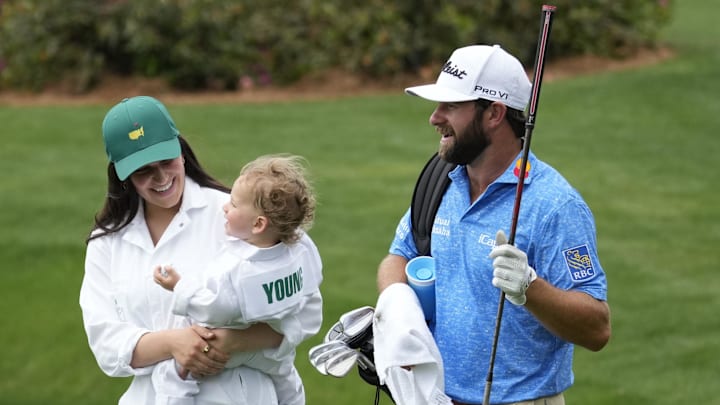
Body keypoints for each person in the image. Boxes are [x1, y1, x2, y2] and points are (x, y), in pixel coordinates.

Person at [375, 44, 611, 405]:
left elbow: (597, 328)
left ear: (494, 114)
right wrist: (396, 315)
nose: (435, 118)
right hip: (433, 397)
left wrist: (529, 288)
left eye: (451, 106)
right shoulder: (441, 180)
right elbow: (399, 257)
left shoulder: (555, 206)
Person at [79, 96, 323, 405]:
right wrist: (173, 343)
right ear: (122, 175)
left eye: (166, 160)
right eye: (143, 171)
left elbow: (304, 309)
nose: (161, 178)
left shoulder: (239, 213)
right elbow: (106, 345)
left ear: (181, 151)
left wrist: (235, 340)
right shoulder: (106, 243)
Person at [151, 154, 322, 405]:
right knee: (286, 376)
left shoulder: (239, 268)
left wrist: (178, 285)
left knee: (178, 374)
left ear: (258, 224)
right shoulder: (299, 251)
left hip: (224, 349)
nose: (224, 207)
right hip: (270, 350)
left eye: (233, 204)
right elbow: (312, 284)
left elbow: (213, 310)